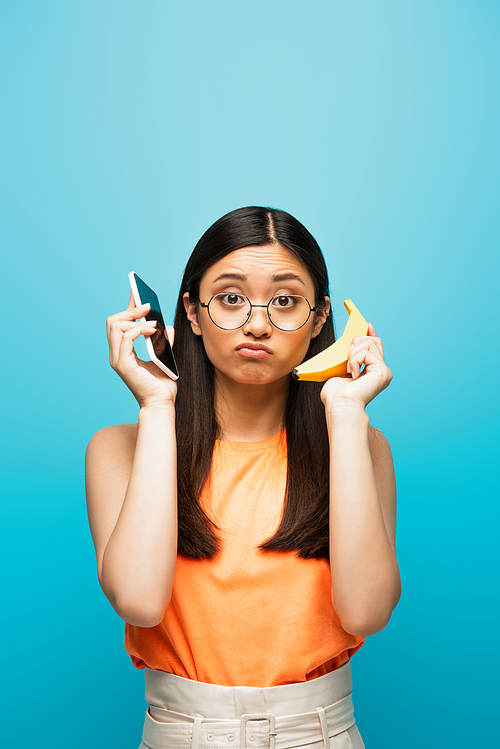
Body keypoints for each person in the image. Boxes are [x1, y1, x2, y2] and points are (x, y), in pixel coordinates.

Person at [85, 206, 400, 749]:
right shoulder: (120, 448)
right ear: (192, 311)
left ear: (321, 317)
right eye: (231, 298)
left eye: (285, 300)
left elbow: (367, 611)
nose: (257, 323)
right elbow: (138, 600)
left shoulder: (358, 445)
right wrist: (158, 405)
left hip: (321, 731)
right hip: (182, 732)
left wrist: (347, 413)